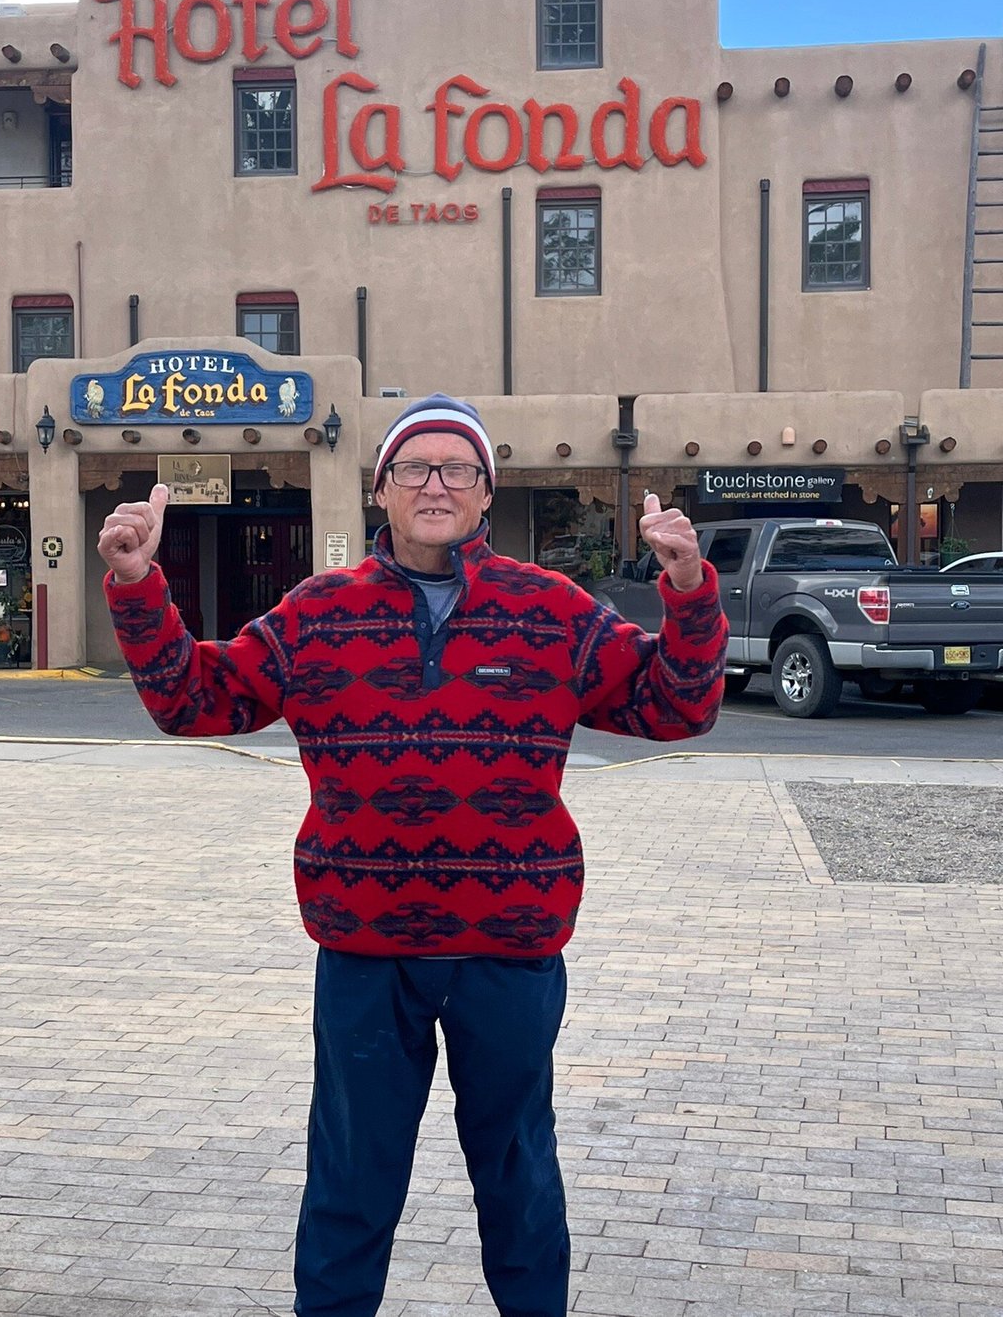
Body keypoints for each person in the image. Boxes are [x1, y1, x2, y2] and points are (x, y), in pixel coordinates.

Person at [98, 393, 728, 1317]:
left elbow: (678, 705)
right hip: (366, 953)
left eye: (458, 468)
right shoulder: (318, 613)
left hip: (507, 955)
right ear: (382, 489)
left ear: (484, 492)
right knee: (350, 1191)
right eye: (415, 468)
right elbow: (200, 698)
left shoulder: (550, 612)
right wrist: (138, 587)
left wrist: (688, 595)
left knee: (519, 1186)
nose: (436, 484)